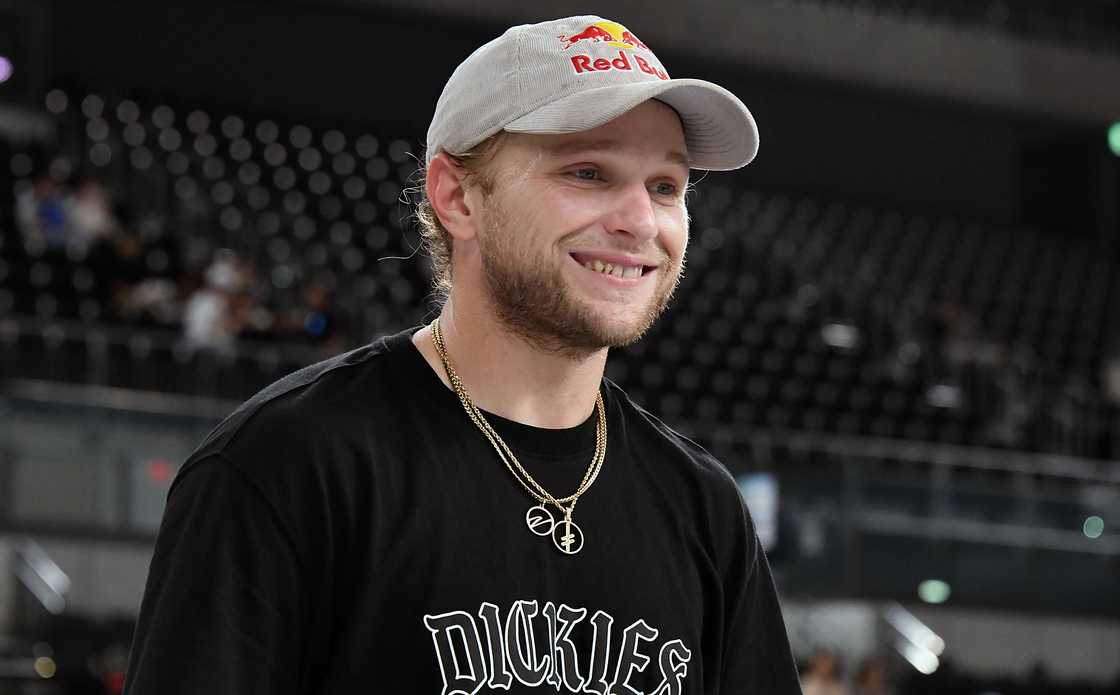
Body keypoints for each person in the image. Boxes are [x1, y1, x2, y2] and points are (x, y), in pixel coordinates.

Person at [123, 15, 801, 694]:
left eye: (665, 186)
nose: (640, 221)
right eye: (588, 171)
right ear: (456, 196)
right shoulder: (285, 464)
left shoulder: (705, 507)